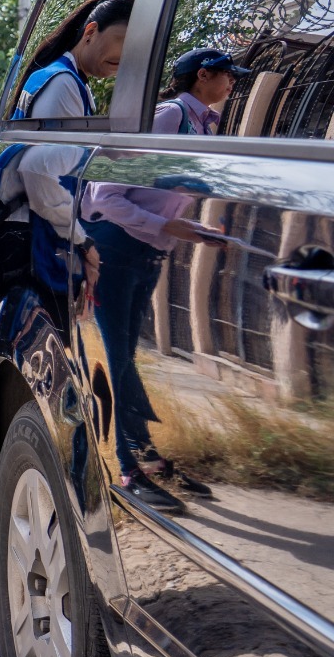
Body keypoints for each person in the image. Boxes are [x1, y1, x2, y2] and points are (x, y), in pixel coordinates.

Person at [78, 46, 246, 511]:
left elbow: (157, 200)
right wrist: (171, 226)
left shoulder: (202, 125)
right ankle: (127, 469)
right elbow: (105, 196)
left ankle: (145, 457)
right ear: (203, 75)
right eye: (228, 74)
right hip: (115, 249)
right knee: (118, 359)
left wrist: (192, 230)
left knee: (126, 357)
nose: (233, 82)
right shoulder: (170, 117)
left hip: (145, 253)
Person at [0, 0, 136, 321]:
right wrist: (84, 242)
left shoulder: (63, 79)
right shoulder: (64, 84)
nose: (126, 56)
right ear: (90, 31)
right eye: (123, 40)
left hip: (21, 242)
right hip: (32, 248)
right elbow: (40, 175)